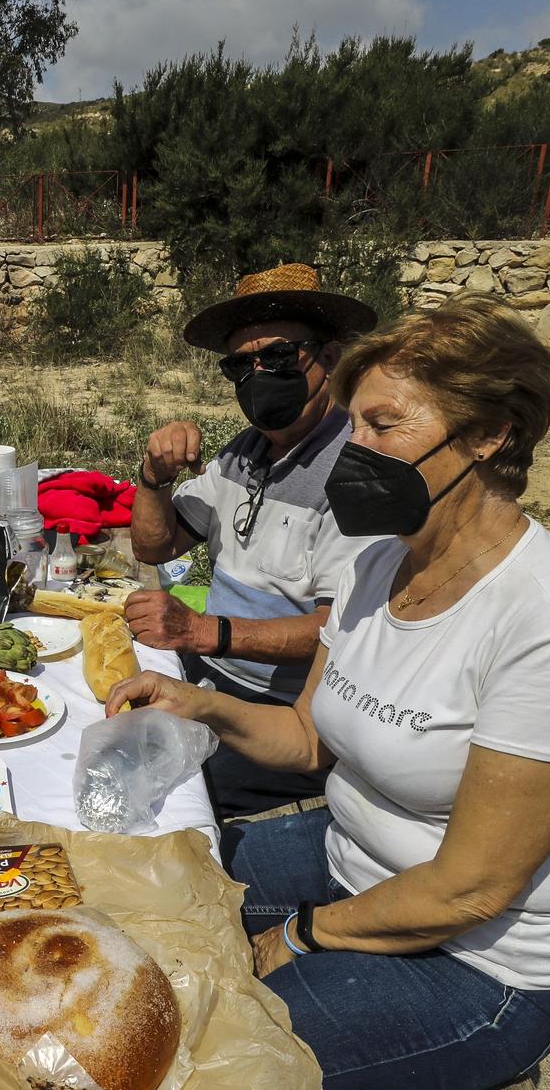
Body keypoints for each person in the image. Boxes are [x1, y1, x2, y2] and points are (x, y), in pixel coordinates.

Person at [107, 299, 550, 1090]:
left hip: (479, 964)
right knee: (132, 901)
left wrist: (298, 935)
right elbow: (305, 740)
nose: (353, 448)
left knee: (177, 1064)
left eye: (383, 425)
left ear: (488, 435)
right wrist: (197, 704)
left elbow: (467, 890)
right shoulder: (378, 565)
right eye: (354, 424)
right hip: (347, 855)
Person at [127, 262, 378, 820]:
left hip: (280, 712)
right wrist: (152, 477)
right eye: (241, 364)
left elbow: (339, 629)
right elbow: (155, 547)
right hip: (207, 672)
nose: (259, 374)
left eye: (280, 357)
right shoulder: (246, 451)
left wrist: (202, 630)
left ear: (330, 360)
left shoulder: (353, 478)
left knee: (149, 790)